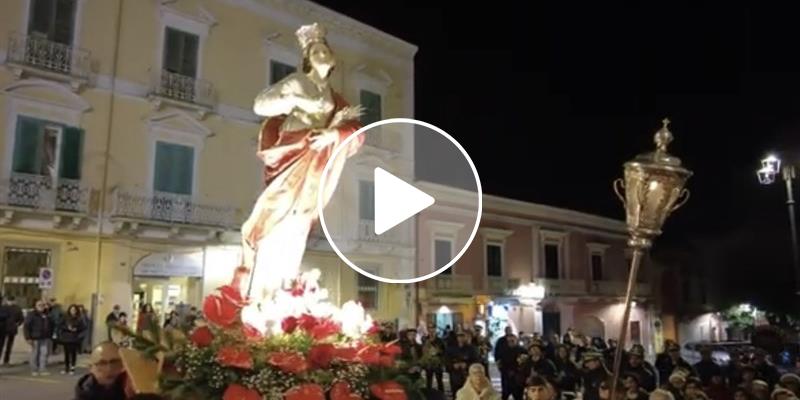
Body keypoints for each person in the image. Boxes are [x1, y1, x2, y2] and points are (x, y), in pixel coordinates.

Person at [241, 22, 365, 300]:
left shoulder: (336, 98)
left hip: (315, 165)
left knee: (299, 223)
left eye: (325, 49)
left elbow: (357, 132)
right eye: (316, 50)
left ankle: (283, 289)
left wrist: (334, 133)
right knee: (276, 213)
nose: (322, 52)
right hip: (291, 154)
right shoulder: (297, 81)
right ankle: (261, 292)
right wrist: (298, 101)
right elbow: (261, 105)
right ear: (307, 58)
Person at [24, 299, 54, 376]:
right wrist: (28, 338)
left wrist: (50, 335)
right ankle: (34, 369)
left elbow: (51, 324)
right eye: (39, 305)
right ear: (35, 306)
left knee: (44, 353)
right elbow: (26, 326)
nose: (42, 307)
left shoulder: (46, 314)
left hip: (45, 337)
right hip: (34, 337)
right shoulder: (31, 314)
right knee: (35, 353)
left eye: (43, 305)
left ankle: (42, 369)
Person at [447, 332, 479, 399]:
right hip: (455, 375)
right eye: (459, 336)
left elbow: (476, 361)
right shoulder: (451, 348)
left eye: (462, 336)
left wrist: (466, 364)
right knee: (456, 393)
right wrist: (453, 365)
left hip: (467, 375)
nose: (461, 338)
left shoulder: (471, 348)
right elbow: (446, 360)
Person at [60, 304, 87, 375]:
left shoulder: (79, 318)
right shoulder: (65, 317)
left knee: (73, 353)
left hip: (75, 338)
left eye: (74, 310)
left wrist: (76, 329)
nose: (73, 311)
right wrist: (67, 328)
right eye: (72, 310)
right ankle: (66, 367)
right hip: (66, 337)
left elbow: (83, 327)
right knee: (66, 353)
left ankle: (72, 367)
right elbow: (61, 325)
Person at [498, 334, 527, 400]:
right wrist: (505, 371)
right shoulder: (503, 351)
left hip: (518, 378)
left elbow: (525, 364)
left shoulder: (522, 350)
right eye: (509, 341)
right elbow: (500, 363)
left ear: (516, 340)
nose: (510, 343)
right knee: (505, 395)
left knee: (518, 396)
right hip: (506, 377)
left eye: (512, 341)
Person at [0, 295, 24, 365]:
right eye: (9, 300)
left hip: (9, 329)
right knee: (3, 345)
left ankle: (6, 360)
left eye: (11, 301)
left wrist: (18, 324)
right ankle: (5, 360)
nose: (10, 302)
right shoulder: (3, 307)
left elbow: (21, 319)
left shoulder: (16, 308)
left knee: (8, 345)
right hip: (4, 329)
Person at [422, 325, 446, 392]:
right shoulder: (424, 339)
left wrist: (437, 352)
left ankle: (441, 395)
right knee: (428, 381)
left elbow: (444, 351)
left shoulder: (440, 341)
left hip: (437, 363)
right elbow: (422, 350)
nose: (431, 332)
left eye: (433, 330)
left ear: (435, 330)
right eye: (430, 330)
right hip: (428, 363)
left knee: (439, 381)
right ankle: (429, 395)